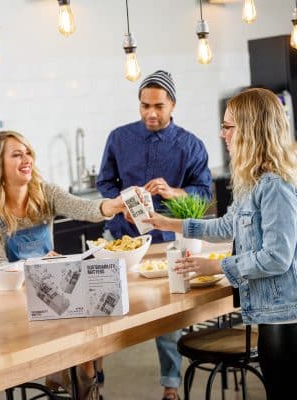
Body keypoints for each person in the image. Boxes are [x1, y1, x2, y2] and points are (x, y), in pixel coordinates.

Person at [143, 88, 297, 400]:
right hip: (275, 317)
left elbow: (276, 258)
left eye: (228, 126)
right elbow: (229, 226)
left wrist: (215, 266)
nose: (222, 134)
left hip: (294, 319)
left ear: (251, 130)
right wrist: (168, 223)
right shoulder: (254, 182)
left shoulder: (275, 186)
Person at [0, 130, 125, 399]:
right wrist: (39, 262)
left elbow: (84, 209)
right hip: (12, 304)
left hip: (51, 294)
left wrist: (114, 205)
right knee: (81, 344)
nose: (26, 159)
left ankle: (76, 379)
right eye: (16, 154)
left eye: (27, 152)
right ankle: (70, 376)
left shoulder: (45, 193)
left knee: (91, 334)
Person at [96, 70, 212, 400]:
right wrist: (120, 203)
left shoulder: (191, 145)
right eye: (145, 105)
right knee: (104, 308)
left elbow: (204, 195)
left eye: (158, 106)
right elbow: (104, 183)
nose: (151, 112)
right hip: (120, 239)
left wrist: (174, 192)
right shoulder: (119, 138)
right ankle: (94, 380)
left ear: (172, 104)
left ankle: (171, 386)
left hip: (167, 243)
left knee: (168, 320)